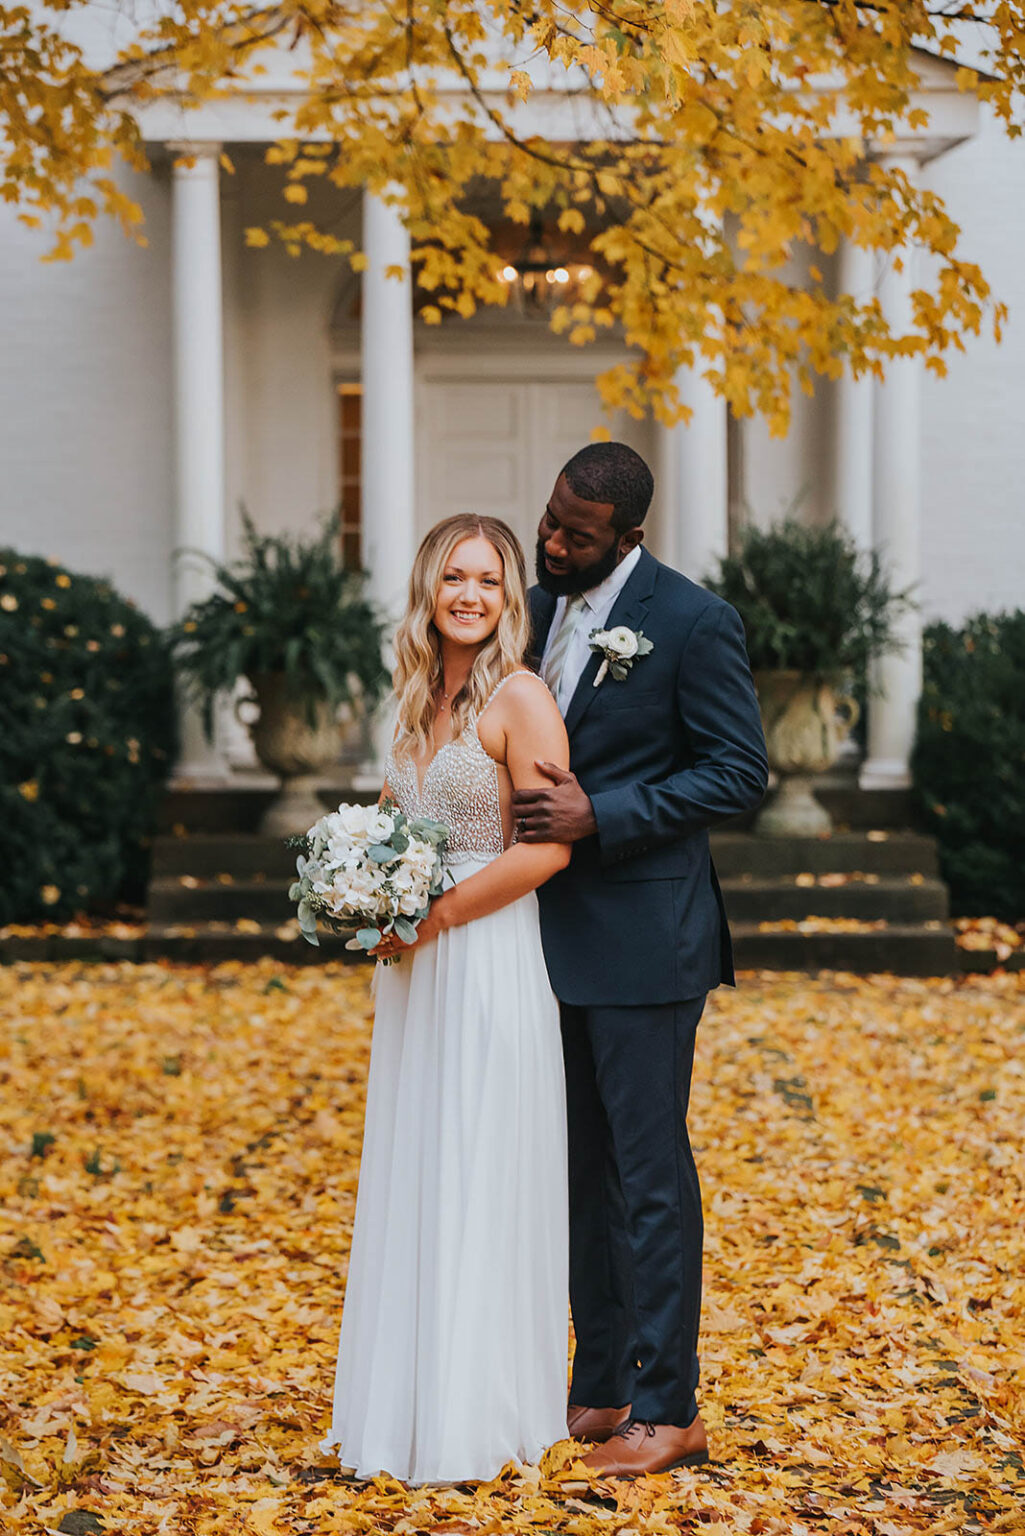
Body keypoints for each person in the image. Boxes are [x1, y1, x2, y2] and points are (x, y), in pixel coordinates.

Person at [514, 441, 769, 1477]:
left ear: (627, 534)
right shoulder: (534, 608)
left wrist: (599, 813)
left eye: (576, 532)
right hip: (544, 936)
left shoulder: (692, 621)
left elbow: (735, 772)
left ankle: (670, 1407)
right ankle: (601, 1382)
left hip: (648, 940)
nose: (554, 541)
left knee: (650, 1174)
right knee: (582, 1171)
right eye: (550, 519)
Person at [319, 514, 572, 1485]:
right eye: (453, 577)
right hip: (414, 971)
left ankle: (477, 1411)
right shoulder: (414, 699)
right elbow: (393, 828)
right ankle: (408, 1405)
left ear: (509, 597)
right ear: (428, 588)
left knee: (475, 1161)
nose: (469, 594)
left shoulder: (519, 697)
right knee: (419, 1164)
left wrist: (435, 919)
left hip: (485, 954)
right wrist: (364, 898)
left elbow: (546, 847)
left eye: (488, 580)